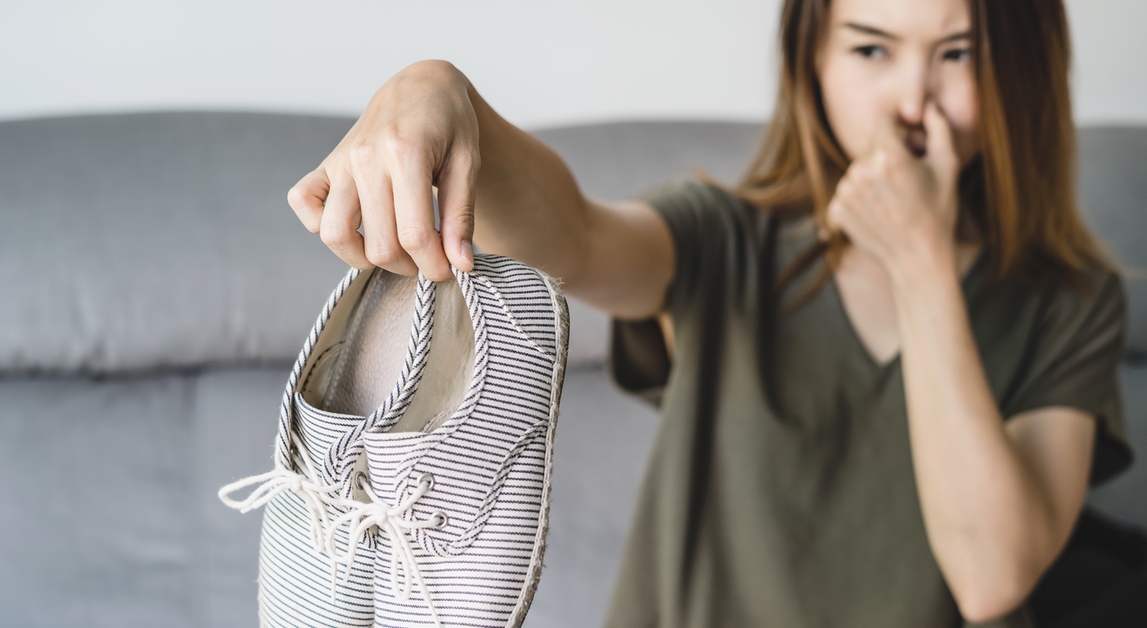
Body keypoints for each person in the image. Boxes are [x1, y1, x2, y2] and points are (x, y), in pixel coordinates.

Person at [286, 0, 1136, 625]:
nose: (914, 99)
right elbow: (576, 237)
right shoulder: (727, 240)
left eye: (961, 54)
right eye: (873, 49)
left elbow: (993, 576)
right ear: (814, 63)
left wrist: (921, 260)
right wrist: (437, 91)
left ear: (1022, 70)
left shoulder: (1072, 301)